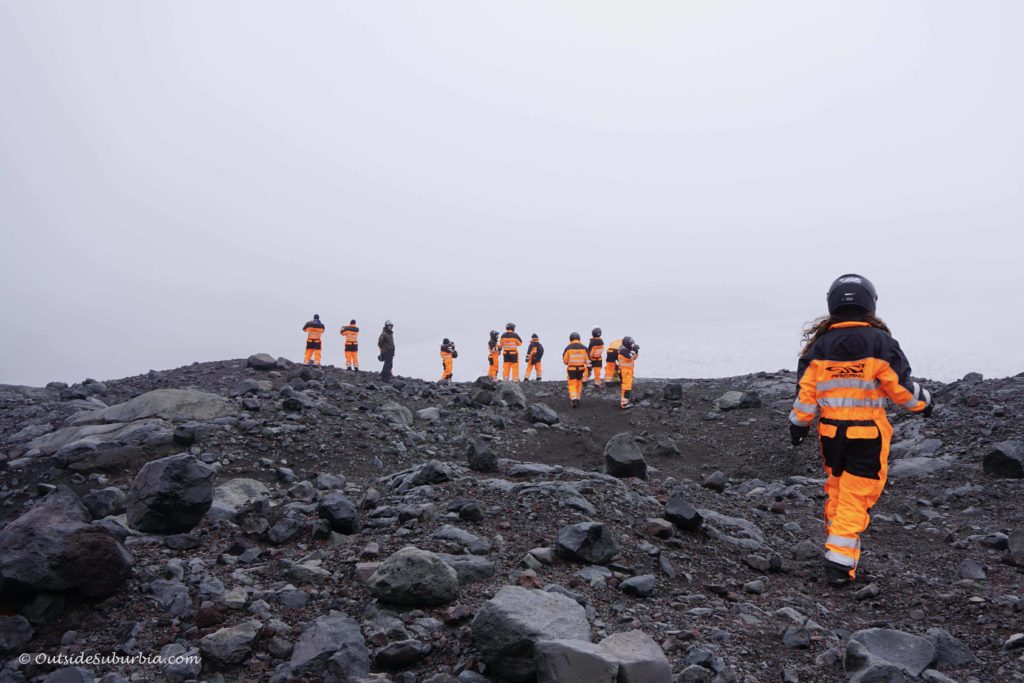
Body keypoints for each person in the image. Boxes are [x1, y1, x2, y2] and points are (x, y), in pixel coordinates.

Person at [789, 274, 934, 588]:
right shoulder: (880, 343)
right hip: (866, 434)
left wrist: (798, 426)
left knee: (838, 490)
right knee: (857, 496)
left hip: (830, 435)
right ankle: (839, 562)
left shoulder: (819, 346)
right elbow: (902, 392)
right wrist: (925, 402)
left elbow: (805, 397)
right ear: (869, 303)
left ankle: (835, 545)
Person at [562, 332, 590, 408]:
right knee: (579, 383)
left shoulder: (568, 348)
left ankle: (573, 399)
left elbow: (565, 361)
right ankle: (577, 398)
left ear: (570, 339)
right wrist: (589, 371)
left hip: (571, 369)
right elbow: (588, 361)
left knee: (572, 384)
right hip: (581, 369)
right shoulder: (584, 348)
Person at [617, 337, 639, 409]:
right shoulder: (623, 351)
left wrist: (636, 351)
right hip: (624, 372)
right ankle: (624, 404)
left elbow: (634, 357)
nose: (632, 345)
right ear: (627, 344)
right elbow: (630, 357)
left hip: (627, 372)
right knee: (626, 388)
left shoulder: (626, 350)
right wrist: (634, 350)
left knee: (627, 387)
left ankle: (626, 401)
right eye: (631, 344)